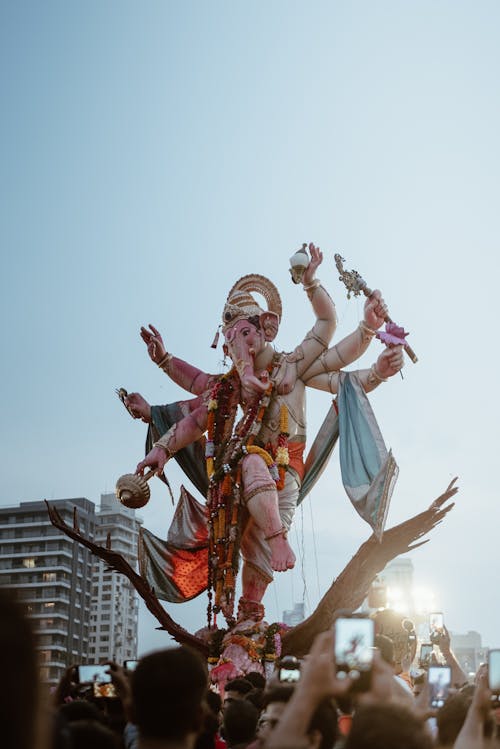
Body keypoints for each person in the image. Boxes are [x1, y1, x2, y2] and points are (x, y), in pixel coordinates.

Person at [130, 245, 403, 621]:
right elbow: (194, 412)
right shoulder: (228, 388)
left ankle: (276, 542)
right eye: (231, 341)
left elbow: (334, 347)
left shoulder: (292, 366)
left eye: (244, 334)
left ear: (266, 328)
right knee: (239, 530)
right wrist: (161, 448)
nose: (237, 347)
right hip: (240, 481)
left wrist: (363, 333)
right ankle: (244, 619)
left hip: (284, 470)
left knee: (254, 463)